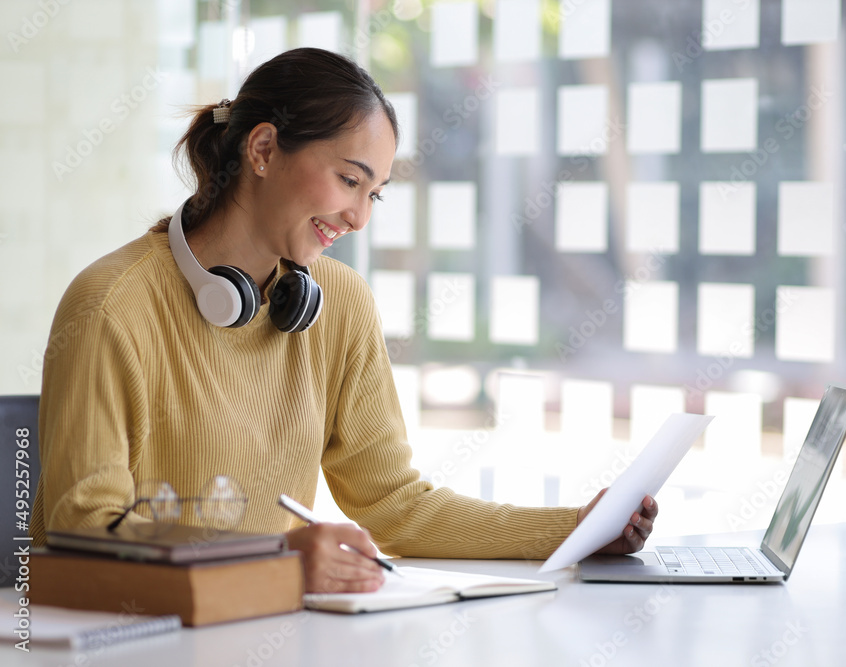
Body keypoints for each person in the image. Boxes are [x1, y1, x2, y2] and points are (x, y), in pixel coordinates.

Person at [29, 48, 658, 593]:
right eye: (348, 180)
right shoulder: (111, 304)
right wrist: (275, 559)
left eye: (374, 193)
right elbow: (81, 527)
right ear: (264, 148)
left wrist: (575, 529)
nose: (359, 217)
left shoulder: (340, 302)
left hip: (278, 631)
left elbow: (396, 506)